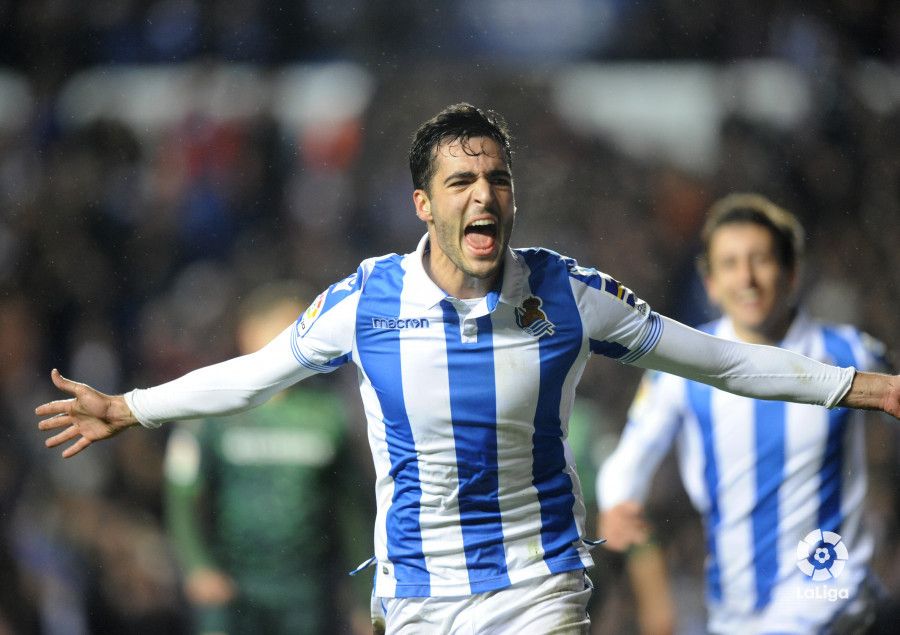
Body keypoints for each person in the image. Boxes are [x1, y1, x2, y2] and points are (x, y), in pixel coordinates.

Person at [35, 104, 900, 634]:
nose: (482, 193)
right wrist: (130, 406)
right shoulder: (366, 300)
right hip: (417, 595)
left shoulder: (570, 292)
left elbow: (717, 359)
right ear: (425, 203)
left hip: (540, 586)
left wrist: (872, 387)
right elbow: (256, 375)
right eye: (460, 181)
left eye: (495, 177)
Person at [598, 193, 893, 633]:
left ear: (791, 273)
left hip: (835, 600)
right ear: (711, 283)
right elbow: (631, 456)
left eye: (761, 260)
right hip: (734, 613)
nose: (747, 278)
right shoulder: (681, 368)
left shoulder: (849, 352)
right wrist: (618, 500)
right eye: (731, 264)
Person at [163, 282, 372, 634]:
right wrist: (198, 566)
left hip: (306, 590)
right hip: (232, 586)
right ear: (248, 333)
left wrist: (364, 596)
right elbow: (182, 497)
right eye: (285, 330)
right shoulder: (212, 408)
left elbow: (352, 510)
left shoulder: (330, 414)